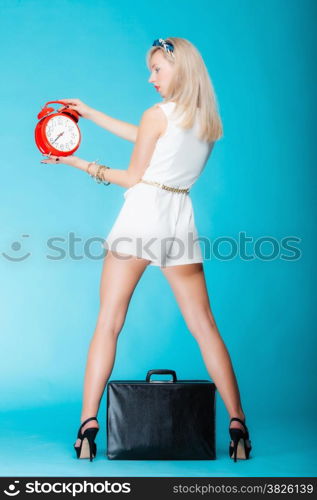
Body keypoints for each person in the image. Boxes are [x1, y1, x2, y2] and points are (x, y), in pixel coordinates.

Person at [41, 37, 252, 463]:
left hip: (142, 216)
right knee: (205, 326)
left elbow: (135, 174)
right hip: (178, 220)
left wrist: (81, 164)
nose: (150, 77)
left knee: (108, 322)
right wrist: (92, 114)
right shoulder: (206, 121)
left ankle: (87, 426)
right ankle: (238, 424)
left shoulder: (157, 115)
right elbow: (148, 137)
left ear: (180, 69)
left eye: (158, 69)